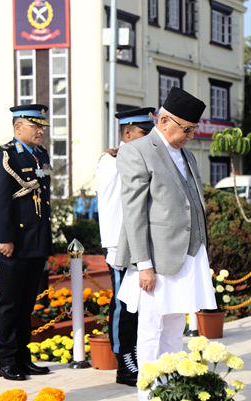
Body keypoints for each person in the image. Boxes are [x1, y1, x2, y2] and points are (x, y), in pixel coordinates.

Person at [115, 87, 216, 401]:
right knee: (150, 326)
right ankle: (147, 392)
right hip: (156, 258)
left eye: (193, 130)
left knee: (175, 325)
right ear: (163, 120)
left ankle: (169, 385)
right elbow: (134, 212)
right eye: (185, 129)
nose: (189, 135)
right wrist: (144, 265)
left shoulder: (185, 153)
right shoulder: (137, 151)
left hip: (187, 252)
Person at [0, 104, 53, 381]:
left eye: (42, 127)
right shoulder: (4, 157)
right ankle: (6, 360)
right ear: (17, 128)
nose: (40, 131)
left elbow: (43, 200)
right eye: (35, 126)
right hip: (14, 243)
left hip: (35, 241)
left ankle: (23, 358)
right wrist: (5, 238)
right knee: (10, 304)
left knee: (27, 304)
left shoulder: (40, 155)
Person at [96, 107, 155, 387]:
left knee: (140, 306)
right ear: (128, 133)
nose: (149, 138)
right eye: (144, 133)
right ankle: (124, 360)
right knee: (123, 306)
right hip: (121, 246)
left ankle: (136, 355)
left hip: (139, 244)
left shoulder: (133, 156)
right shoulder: (112, 162)